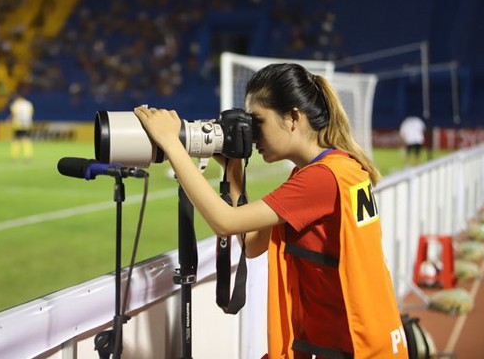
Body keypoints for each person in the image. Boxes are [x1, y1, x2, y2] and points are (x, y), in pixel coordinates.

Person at [134, 63, 408, 358]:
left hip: (353, 346)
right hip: (361, 340)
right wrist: (233, 173)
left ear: (292, 117)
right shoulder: (334, 169)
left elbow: (225, 222)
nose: (252, 136)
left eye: (258, 122)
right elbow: (252, 245)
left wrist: (172, 146)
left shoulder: (320, 179)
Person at [8, 87, 34, 161]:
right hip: (27, 124)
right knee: (26, 139)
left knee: (15, 140)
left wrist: (9, 121)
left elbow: (13, 114)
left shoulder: (15, 104)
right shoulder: (28, 104)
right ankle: (28, 156)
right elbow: (31, 114)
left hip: (18, 124)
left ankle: (14, 156)